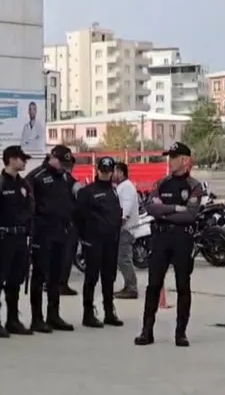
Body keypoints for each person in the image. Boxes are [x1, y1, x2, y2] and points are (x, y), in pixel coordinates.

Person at [135, 141, 203, 347]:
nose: (170, 161)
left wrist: (165, 210)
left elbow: (190, 215)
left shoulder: (193, 186)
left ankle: (180, 333)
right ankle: (147, 331)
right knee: (153, 285)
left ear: (185, 160)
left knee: (183, 285)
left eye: (174, 157)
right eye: (169, 157)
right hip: (161, 239)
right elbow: (151, 208)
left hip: (182, 238)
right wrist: (175, 208)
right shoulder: (161, 183)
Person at [28, 145, 77, 333]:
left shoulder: (64, 177)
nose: (64, 167)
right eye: (61, 163)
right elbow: (28, 203)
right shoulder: (37, 176)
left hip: (61, 232)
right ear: (52, 158)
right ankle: (37, 318)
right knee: (39, 276)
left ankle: (53, 315)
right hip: (42, 233)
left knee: (56, 277)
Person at [0, 145, 35, 337]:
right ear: (12, 159)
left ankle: (13, 319)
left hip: (20, 238)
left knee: (15, 280)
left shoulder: (24, 185)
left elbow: (31, 209)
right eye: (22, 159)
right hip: (2, 238)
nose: (24, 162)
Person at [74, 157, 124, 328]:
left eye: (109, 171)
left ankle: (109, 312)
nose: (106, 174)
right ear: (98, 170)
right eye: (103, 170)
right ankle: (88, 313)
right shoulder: (87, 192)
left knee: (109, 277)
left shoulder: (114, 191)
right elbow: (78, 217)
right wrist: (84, 239)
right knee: (91, 277)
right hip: (93, 241)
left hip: (111, 241)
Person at [113, 161, 140, 299]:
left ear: (121, 172)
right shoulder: (121, 187)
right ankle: (128, 286)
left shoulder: (127, 187)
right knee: (121, 259)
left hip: (126, 229)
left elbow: (126, 209)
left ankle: (131, 288)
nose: (113, 174)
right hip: (123, 229)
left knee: (124, 259)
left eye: (115, 171)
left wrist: (119, 223)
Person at [58, 160, 80, 296]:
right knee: (64, 256)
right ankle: (59, 284)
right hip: (65, 224)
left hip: (66, 224)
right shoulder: (65, 181)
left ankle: (59, 283)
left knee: (65, 255)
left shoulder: (67, 179)